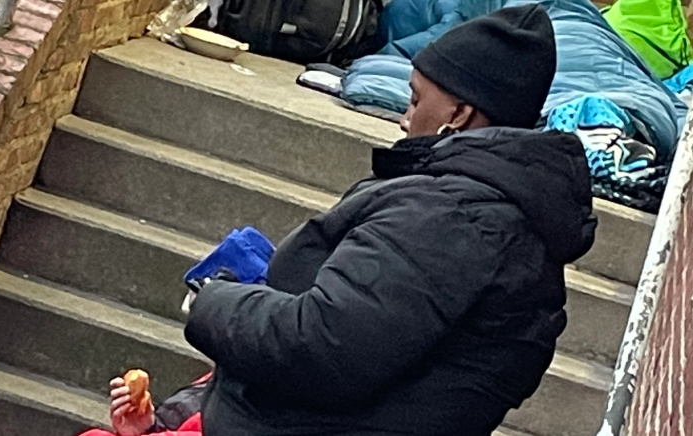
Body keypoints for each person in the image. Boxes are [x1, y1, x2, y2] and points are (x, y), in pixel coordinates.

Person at [184, 5, 597, 436]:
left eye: (417, 100)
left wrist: (212, 301)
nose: (404, 117)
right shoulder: (472, 207)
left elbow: (325, 347)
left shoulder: (452, 217)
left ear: (458, 115)